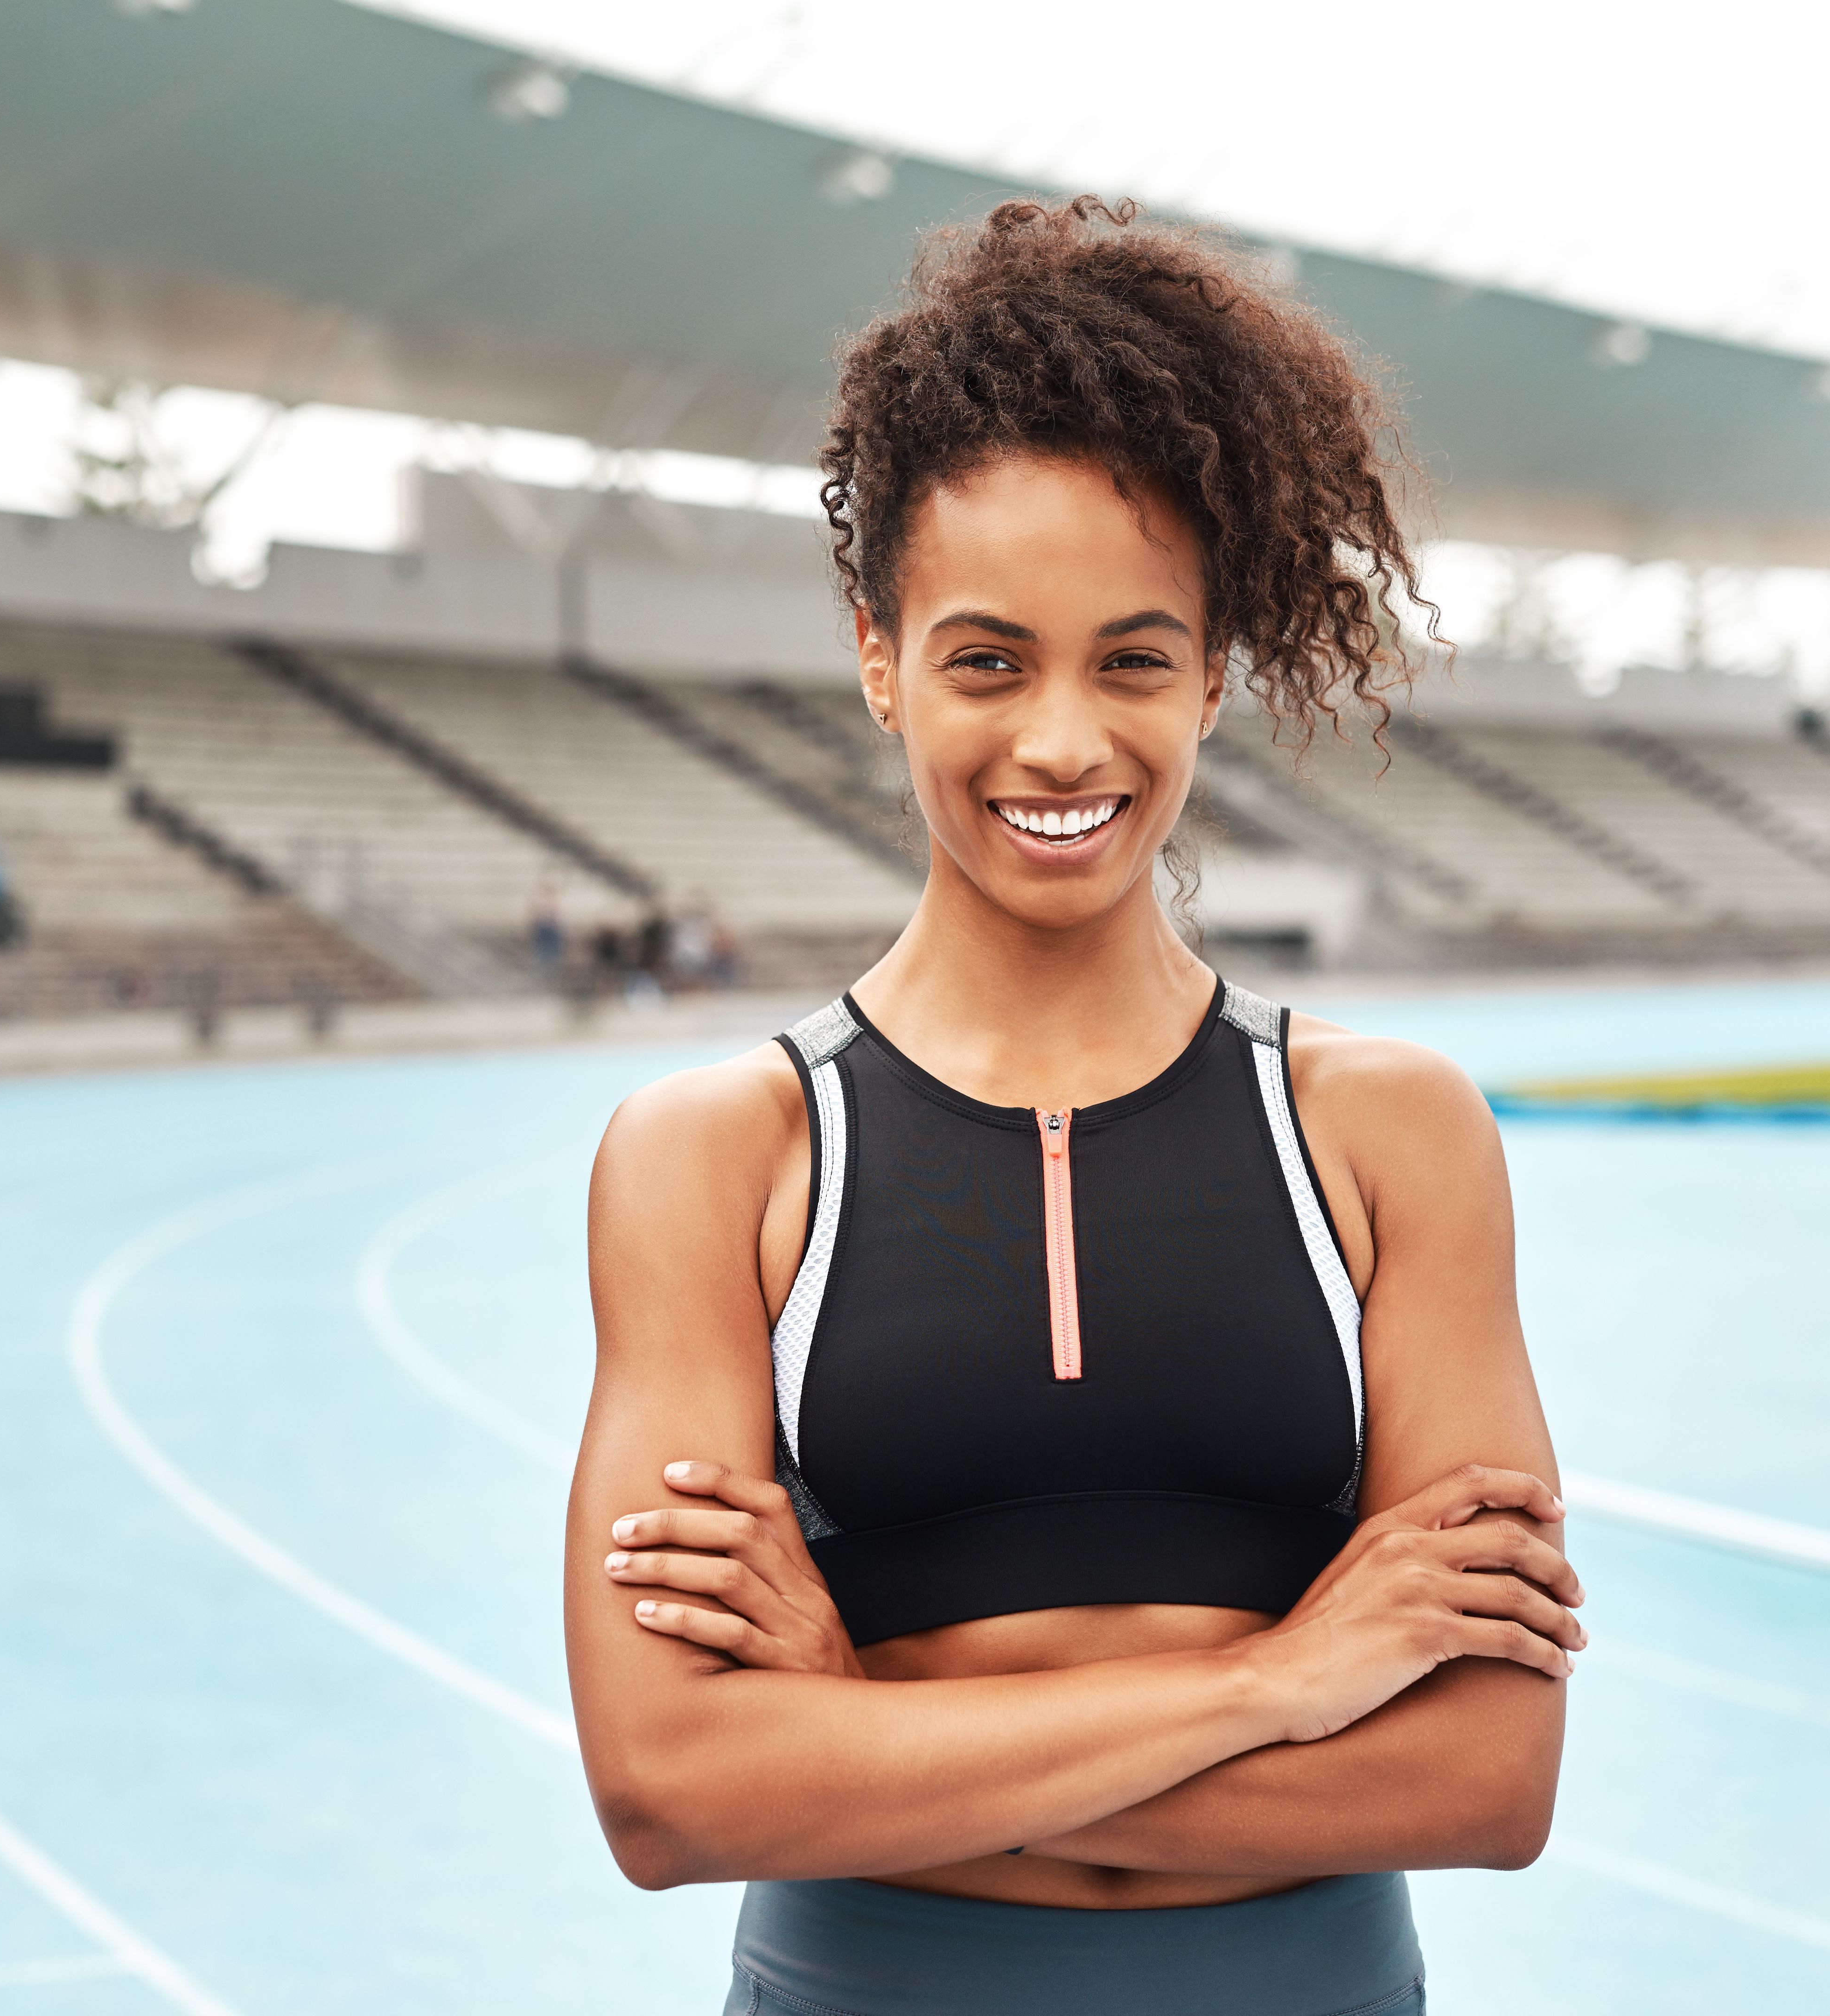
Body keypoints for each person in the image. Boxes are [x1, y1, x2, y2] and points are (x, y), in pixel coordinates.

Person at [567, 198, 1580, 2016]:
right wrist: (1275, 1687)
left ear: (1210, 672)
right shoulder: (716, 1158)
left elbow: (1482, 1782)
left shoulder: (1385, 1135)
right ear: (878, 658)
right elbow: (666, 1789)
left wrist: (854, 1740)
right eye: (983, 659)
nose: (1058, 742)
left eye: (1128, 658)